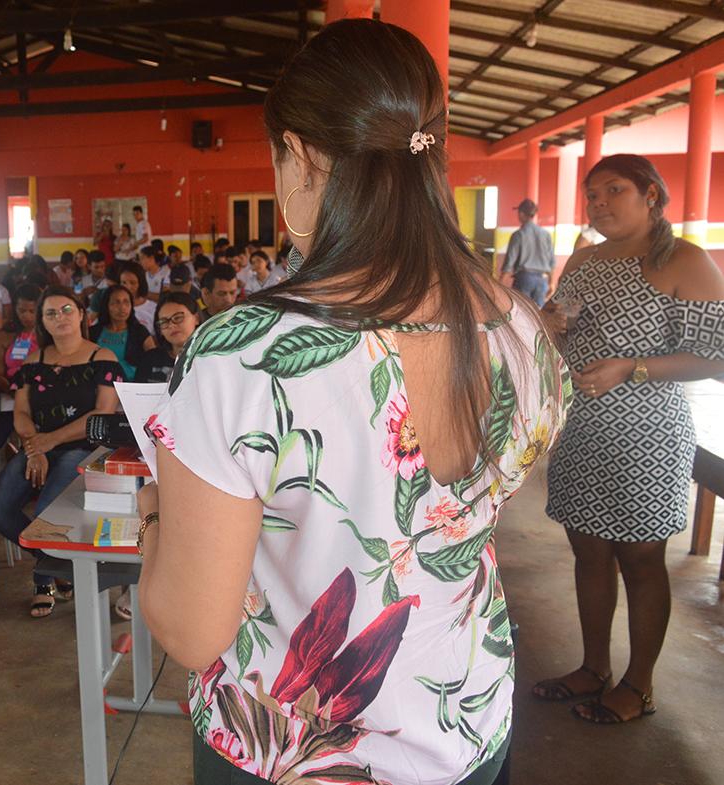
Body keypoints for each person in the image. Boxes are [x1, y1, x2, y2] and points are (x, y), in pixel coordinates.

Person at [134, 19, 569, 785]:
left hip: (296, 753)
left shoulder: (246, 352)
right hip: (464, 725)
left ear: (298, 154)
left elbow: (191, 629)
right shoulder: (522, 329)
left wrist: (154, 525)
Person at [535, 153, 724, 724]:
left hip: (649, 434)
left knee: (642, 561)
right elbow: (559, 327)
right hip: (584, 431)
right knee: (587, 553)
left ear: (651, 195)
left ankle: (638, 685)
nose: (598, 204)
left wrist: (632, 367)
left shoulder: (684, 261)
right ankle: (593, 667)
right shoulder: (584, 260)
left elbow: (713, 357)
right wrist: (551, 323)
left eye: (613, 190)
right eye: (591, 195)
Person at [0, 287, 122, 618]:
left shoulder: (102, 358)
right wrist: (34, 448)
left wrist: (50, 441)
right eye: (51, 313)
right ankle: (61, 565)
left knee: (48, 509)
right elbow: (20, 412)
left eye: (66, 310)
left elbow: (102, 413)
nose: (59, 317)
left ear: (81, 315)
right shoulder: (34, 362)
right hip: (38, 446)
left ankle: (44, 579)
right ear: (42, 322)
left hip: (86, 449)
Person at [0, 283, 40, 449]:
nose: (27, 316)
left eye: (32, 311)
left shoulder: (48, 336)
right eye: (22, 311)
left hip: (41, 396)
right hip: (9, 394)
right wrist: (13, 391)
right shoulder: (5, 335)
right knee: (4, 422)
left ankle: (26, 455)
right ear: (14, 309)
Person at [89, 285, 153, 381]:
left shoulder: (139, 332)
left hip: (132, 386)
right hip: (98, 386)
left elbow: (154, 359)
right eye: (116, 302)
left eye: (126, 302)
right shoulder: (94, 332)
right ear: (106, 306)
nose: (122, 307)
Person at [500, 199, 555, 308]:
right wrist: (551, 282)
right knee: (538, 315)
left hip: (524, 280)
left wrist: (500, 283)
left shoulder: (518, 235)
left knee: (521, 313)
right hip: (541, 281)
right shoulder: (546, 234)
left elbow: (509, 261)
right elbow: (551, 262)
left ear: (521, 213)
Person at [135, 293, 199, 383]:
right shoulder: (149, 360)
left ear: (196, 318)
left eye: (178, 318)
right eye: (164, 321)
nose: (171, 325)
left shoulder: (213, 358)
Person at [118, 261, 158, 333]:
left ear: (141, 283)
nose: (128, 287)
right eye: (123, 282)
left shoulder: (154, 309)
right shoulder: (114, 307)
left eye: (133, 283)